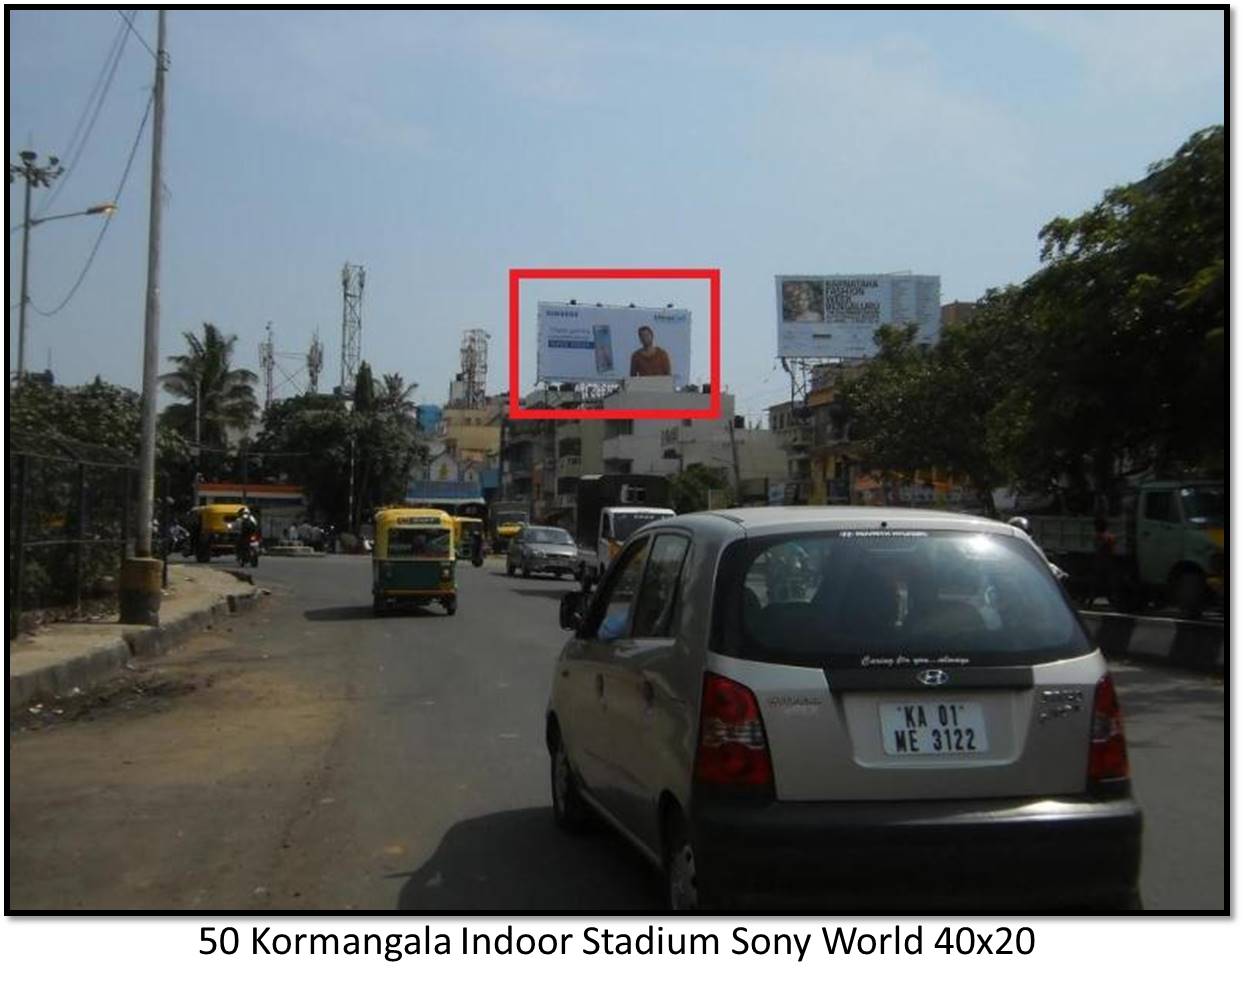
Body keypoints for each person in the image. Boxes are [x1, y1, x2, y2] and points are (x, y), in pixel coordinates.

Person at [1091, 516, 1117, 606]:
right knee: (1108, 581)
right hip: (1107, 561)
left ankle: (1093, 598)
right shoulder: (1109, 536)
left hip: (1101, 561)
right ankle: (1110, 598)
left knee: (1098, 581)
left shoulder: (1099, 536)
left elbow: (1097, 547)